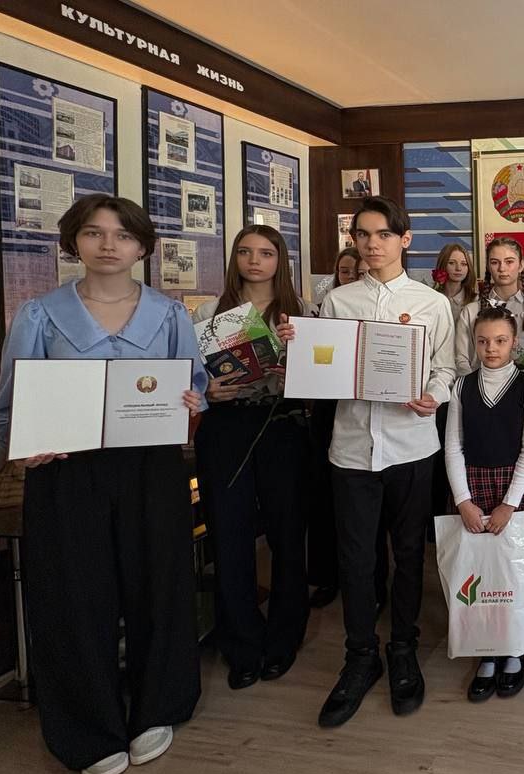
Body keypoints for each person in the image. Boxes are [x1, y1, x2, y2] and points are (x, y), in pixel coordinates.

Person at [0, 194, 207, 774]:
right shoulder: (40, 314)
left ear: (142, 247)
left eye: (123, 235)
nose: (109, 245)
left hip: (151, 468)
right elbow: (10, 403)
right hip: (67, 472)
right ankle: (86, 729)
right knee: (72, 595)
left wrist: (194, 404)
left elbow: (194, 388)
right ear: (74, 242)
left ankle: (157, 707)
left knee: (158, 586)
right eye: (94, 233)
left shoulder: (170, 315)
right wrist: (24, 443)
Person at [299, 196, 456, 728]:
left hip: (411, 445)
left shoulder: (431, 303)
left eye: (383, 234)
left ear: (404, 239)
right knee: (356, 558)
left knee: (408, 553)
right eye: (362, 235)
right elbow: (323, 371)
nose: (372, 244)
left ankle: (403, 648)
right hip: (351, 450)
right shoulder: (338, 301)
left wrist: (434, 395)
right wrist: (304, 352)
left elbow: (446, 368)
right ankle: (360, 654)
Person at [193, 225, 313, 691]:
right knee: (230, 536)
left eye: (265, 253)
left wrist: (298, 359)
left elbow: (322, 381)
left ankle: (284, 637)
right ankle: (240, 643)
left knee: (287, 534)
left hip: (283, 426)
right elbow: (190, 381)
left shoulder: (302, 313)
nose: (254, 261)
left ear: (280, 260)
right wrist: (208, 391)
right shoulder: (210, 313)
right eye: (245, 252)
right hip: (227, 428)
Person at [445, 306, 524, 701]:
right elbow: (453, 446)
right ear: (474, 342)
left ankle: (515, 649)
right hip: (473, 487)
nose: (491, 348)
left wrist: (509, 504)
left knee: (512, 573)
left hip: (515, 489)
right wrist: (463, 500)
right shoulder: (461, 386)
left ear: (514, 343)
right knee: (480, 572)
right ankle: (486, 649)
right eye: (483, 341)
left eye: (500, 340)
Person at [309, 247, 385, 610]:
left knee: (369, 519)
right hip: (332, 412)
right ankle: (329, 577)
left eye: (360, 272)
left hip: (373, 414)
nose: (353, 277)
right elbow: (319, 363)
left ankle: (374, 587)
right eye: (345, 271)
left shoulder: (381, 310)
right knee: (327, 503)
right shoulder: (330, 307)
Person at [455, 238, 524, 376]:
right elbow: (461, 360)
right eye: (495, 262)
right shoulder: (471, 312)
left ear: (521, 265)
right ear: (488, 266)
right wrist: (474, 386)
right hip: (480, 385)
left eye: (509, 262)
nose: (502, 268)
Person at [436, 243, 478, 320]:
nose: (458, 268)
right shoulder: (433, 298)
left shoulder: (475, 300)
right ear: (442, 264)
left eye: (464, 264)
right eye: (451, 263)